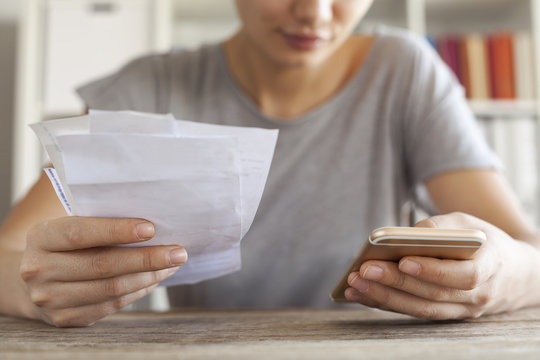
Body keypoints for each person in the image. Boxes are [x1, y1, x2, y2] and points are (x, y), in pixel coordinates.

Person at [1, 0, 539, 327]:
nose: (315, 14)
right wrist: (38, 287)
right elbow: (10, 255)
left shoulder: (406, 71)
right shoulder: (149, 87)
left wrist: (502, 276)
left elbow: (528, 255)